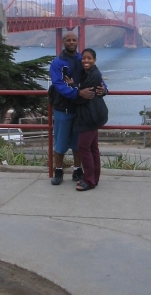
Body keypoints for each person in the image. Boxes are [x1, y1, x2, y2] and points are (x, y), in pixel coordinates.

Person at [49, 32, 107, 185]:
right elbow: (58, 85)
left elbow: (97, 77)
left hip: (81, 110)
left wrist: (104, 89)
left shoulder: (84, 59)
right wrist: (77, 92)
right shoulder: (57, 62)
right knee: (60, 144)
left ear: (78, 41)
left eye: (74, 40)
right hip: (63, 108)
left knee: (77, 144)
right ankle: (59, 171)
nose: (71, 42)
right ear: (63, 42)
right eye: (68, 40)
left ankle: (77, 171)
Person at [70, 48, 108, 191]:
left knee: (84, 148)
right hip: (93, 114)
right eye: (84, 58)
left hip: (90, 116)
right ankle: (94, 178)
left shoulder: (94, 74)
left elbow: (84, 97)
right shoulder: (90, 73)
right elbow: (84, 93)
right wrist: (78, 89)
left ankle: (89, 181)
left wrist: (73, 88)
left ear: (95, 60)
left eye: (89, 58)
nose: (86, 61)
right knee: (92, 149)